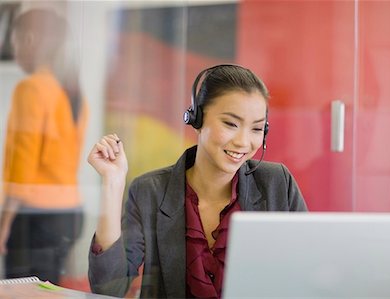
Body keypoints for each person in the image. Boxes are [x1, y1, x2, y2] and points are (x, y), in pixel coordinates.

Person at [87, 64, 307, 298]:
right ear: (197, 118)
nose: (244, 142)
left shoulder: (277, 184)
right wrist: (113, 183)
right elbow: (109, 288)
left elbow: (309, 272)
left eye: (257, 129)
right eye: (231, 124)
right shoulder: (150, 191)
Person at [0, 9, 88, 284]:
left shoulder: (31, 88)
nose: (14, 49)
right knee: (47, 290)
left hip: (34, 217)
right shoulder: (73, 91)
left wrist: (4, 225)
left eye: (13, 40)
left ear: (28, 38)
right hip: (69, 213)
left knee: (24, 292)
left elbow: (21, 169)